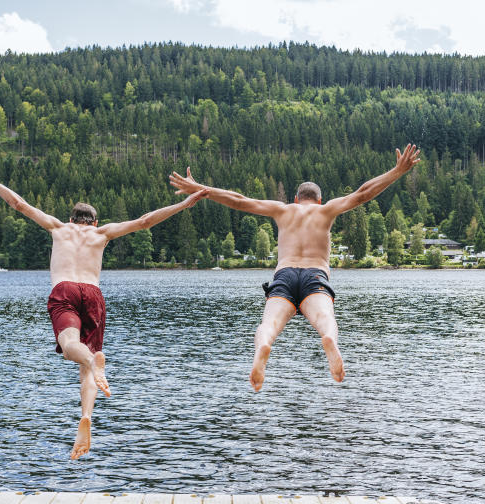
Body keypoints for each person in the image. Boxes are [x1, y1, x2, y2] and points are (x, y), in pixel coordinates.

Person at [0, 154, 208, 459]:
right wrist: (185, 205)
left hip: (64, 289)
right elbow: (145, 221)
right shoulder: (102, 233)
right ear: (93, 222)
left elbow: (19, 204)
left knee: (69, 346)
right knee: (85, 365)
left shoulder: (58, 228)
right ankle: (87, 415)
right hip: (92, 293)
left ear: (71, 221)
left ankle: (93, 364)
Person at [169, 144, 421, 391]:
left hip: (285, 274)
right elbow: (363, 192)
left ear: (296, 199)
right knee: (325, 319)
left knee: (268, 326)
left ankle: (263, 347)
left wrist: (202, 189)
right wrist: (397, 171)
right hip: (315, 275)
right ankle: (329, 339)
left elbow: (239, 200)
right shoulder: (327, 210)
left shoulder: (282, 210)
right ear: (319, 200)